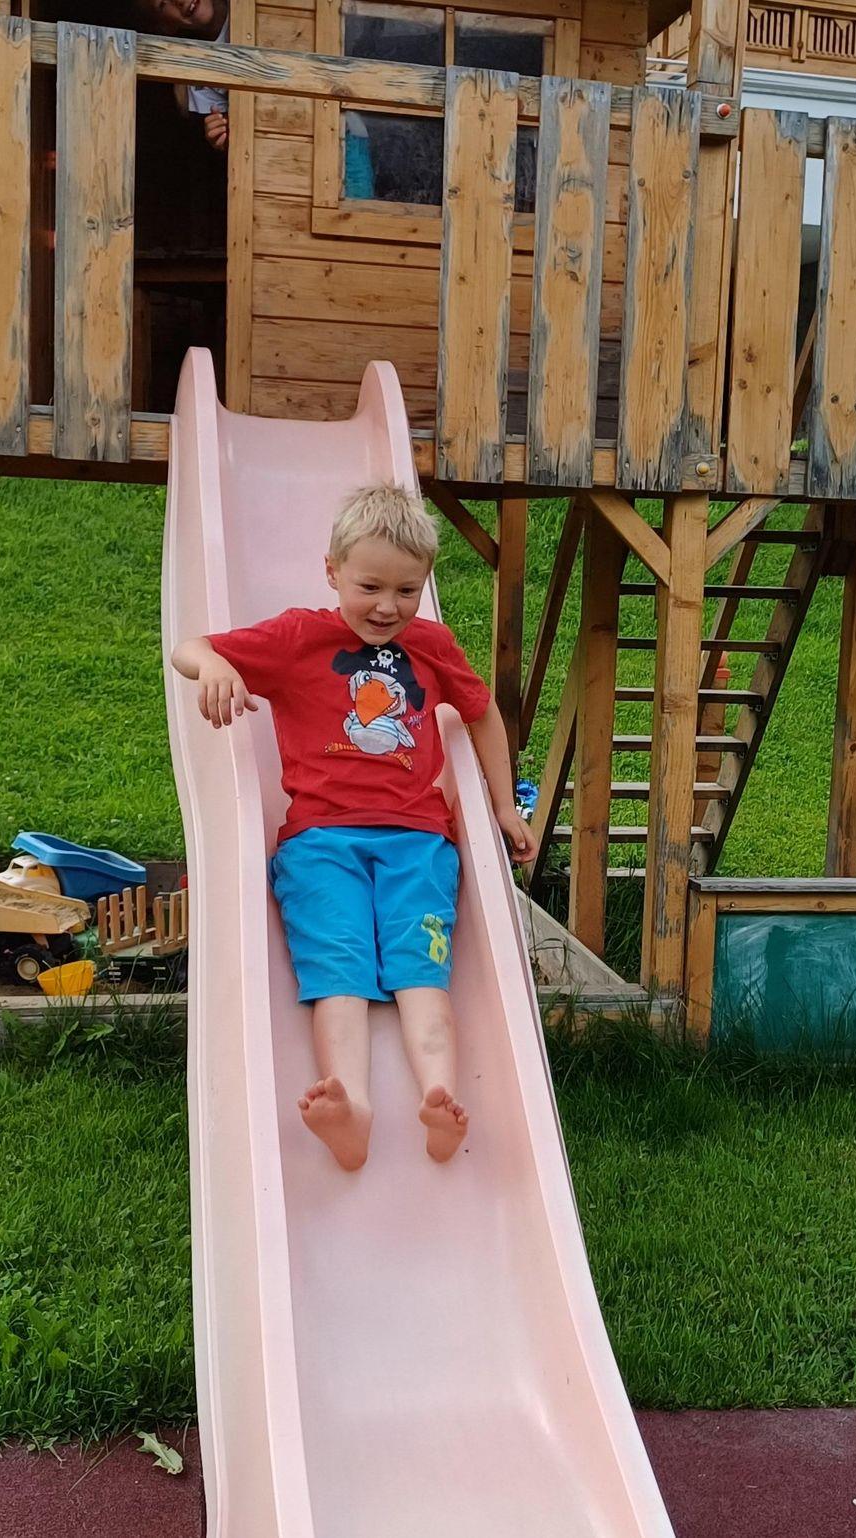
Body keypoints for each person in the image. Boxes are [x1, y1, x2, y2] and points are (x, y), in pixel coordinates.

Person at [169, 486, 538, 1171]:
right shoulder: (298, 637)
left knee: (422, 974)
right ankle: (352, 1105)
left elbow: (481, 713)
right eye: (370, 587)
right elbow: (187, 649)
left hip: (419, 843)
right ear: (332, 571)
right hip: (321, 844)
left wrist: (503, 806)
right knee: (336, 972)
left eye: (407, 590)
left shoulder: (431, 644)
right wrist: (216, 664)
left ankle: (440, 1095)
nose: (388, 607)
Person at [132, 0, 231, 149]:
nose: (178, 1)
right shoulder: (195, 76)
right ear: (166, 26)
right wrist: (225, 134)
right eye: (162, 4)